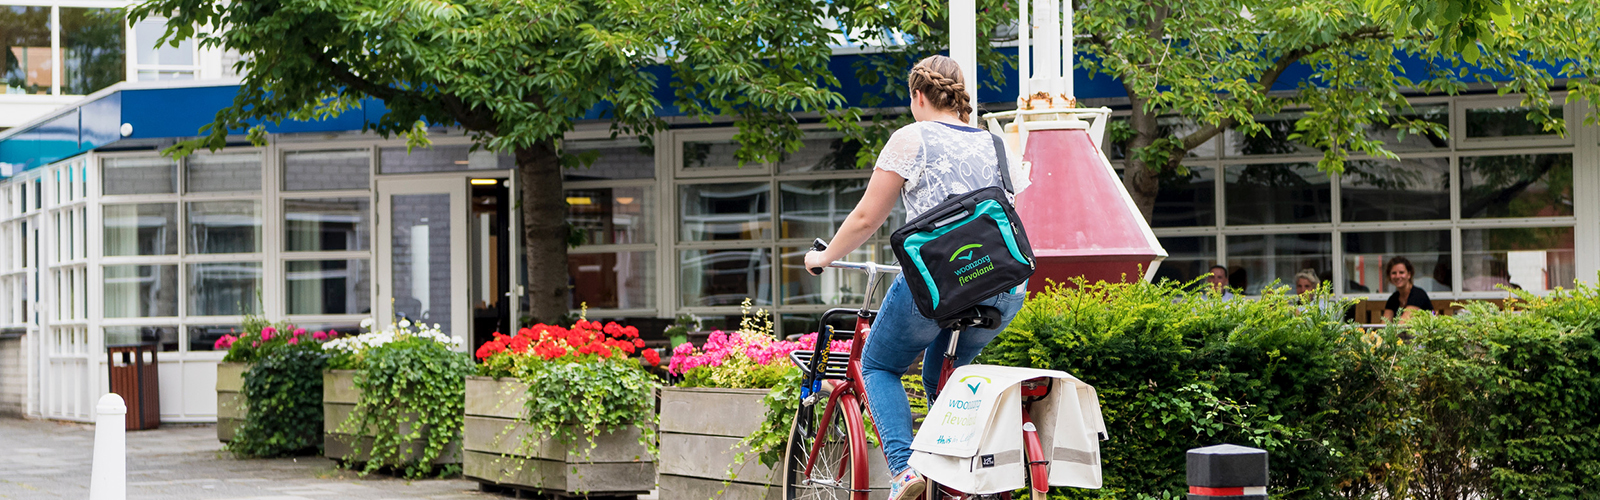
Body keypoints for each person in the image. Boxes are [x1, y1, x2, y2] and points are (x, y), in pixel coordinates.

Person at [803, 54, 1026, 500]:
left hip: (942, 284)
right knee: (945, 374)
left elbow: (867, 217)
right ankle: (961, 474)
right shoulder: (998, 145)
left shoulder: (911, 138)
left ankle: (905, 472)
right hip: (1005, 285)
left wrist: (824, 257)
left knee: (879, 365)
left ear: (918, 95)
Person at [1382, 256, 1433, 323]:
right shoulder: (1393, 299)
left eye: (1401, 272)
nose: (1397, 276)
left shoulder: (1418, 295)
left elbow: (1403, 324)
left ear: (1409, 274)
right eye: (1394, 273)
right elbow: (1384, 325)